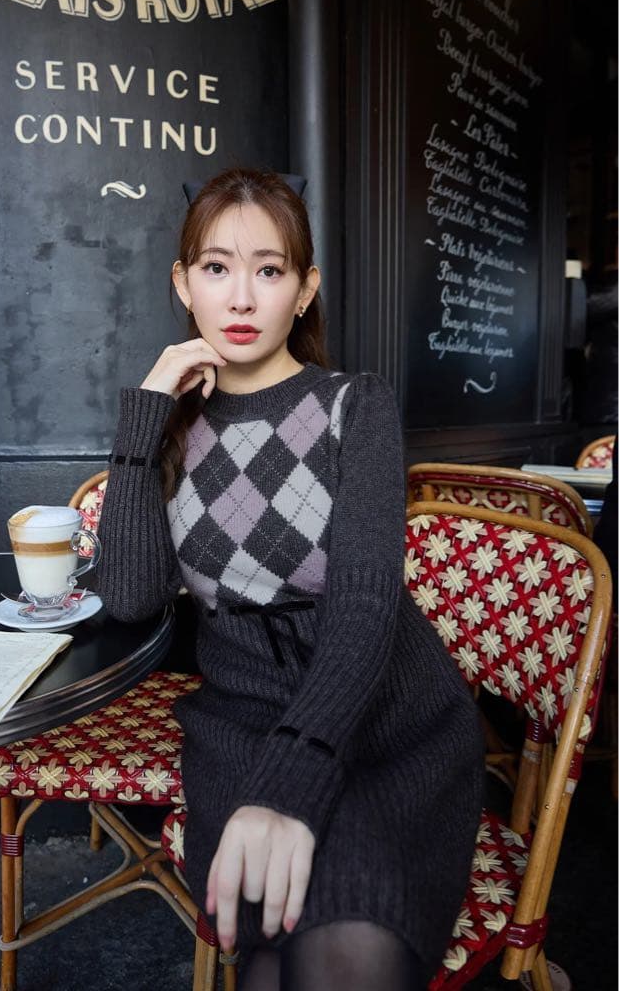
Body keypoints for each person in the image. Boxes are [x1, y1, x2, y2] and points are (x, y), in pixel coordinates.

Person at [96, 167, 484, 989]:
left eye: (268, 270)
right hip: (239, 720)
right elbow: (130, 600)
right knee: (271, 954)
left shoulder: (354, 406)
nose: (241, 297)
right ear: (183, 284)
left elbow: (365, 606)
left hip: (381, 713)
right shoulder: (172, 425)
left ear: (303, 291)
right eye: (216, 267)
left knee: (348, 944)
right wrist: (144, 415)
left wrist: (293, 782)